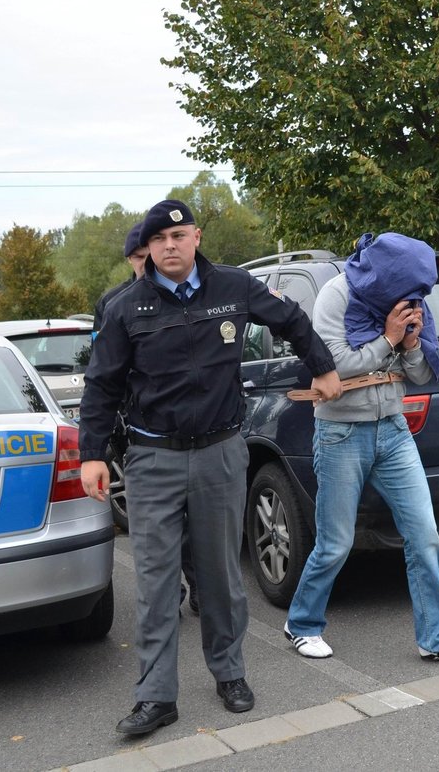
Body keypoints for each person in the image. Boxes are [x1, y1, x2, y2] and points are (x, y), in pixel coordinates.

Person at [78, 199, 342, 736]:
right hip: (153, 459)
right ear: (147, 249)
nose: (170, 246)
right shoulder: (125, 307)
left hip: (221, 452)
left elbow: (291, 320)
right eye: (159, 240)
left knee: (221, 574)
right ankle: (156, 698)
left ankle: (229, 674)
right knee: (154, 580)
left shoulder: (234, 288)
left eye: (179, 236)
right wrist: (91, 455)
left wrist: (325, 369)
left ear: (196, 237)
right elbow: (101, 386)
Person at [284, 231, 439, 667]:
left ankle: (436, 637)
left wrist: (411, 346)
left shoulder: (407, 299)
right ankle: (303, 624)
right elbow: (332, 364)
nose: (413, 302)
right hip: (341, 433)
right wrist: (390, 340)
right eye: (408, 294)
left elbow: (423, 375)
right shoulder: (337, 296)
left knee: (425, 536)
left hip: (393, 429)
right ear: (384, 277)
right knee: (335, 543)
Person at [93, 221, 199, 615]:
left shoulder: (187, 294)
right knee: (154, 525)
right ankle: (168, 594)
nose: (143, 264)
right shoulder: (113, 303)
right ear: (130, 258)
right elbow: (103, 371)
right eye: (138, 257)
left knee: (194, 523)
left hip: (188, 429)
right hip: (135, 431)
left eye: (146, 256)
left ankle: (201, 587)